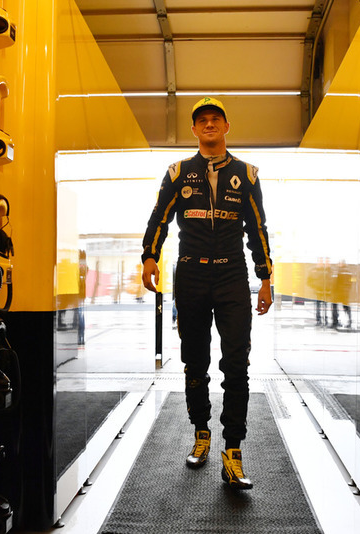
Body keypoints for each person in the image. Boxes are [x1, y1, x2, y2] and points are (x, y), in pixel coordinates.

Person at [141, 97, 273, 490]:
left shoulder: (247, 174)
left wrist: (265, 278)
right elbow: (159, 217)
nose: (209, 124)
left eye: (216, 119)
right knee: (195, 363)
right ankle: (201, 433)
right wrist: (149, 256)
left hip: (232, 277)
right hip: (191, 277)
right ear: (195, 130)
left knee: (236, 365)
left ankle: (233, 452)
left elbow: (259, 229)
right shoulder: (177, 172)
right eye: (202, 120)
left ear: (226, 127)